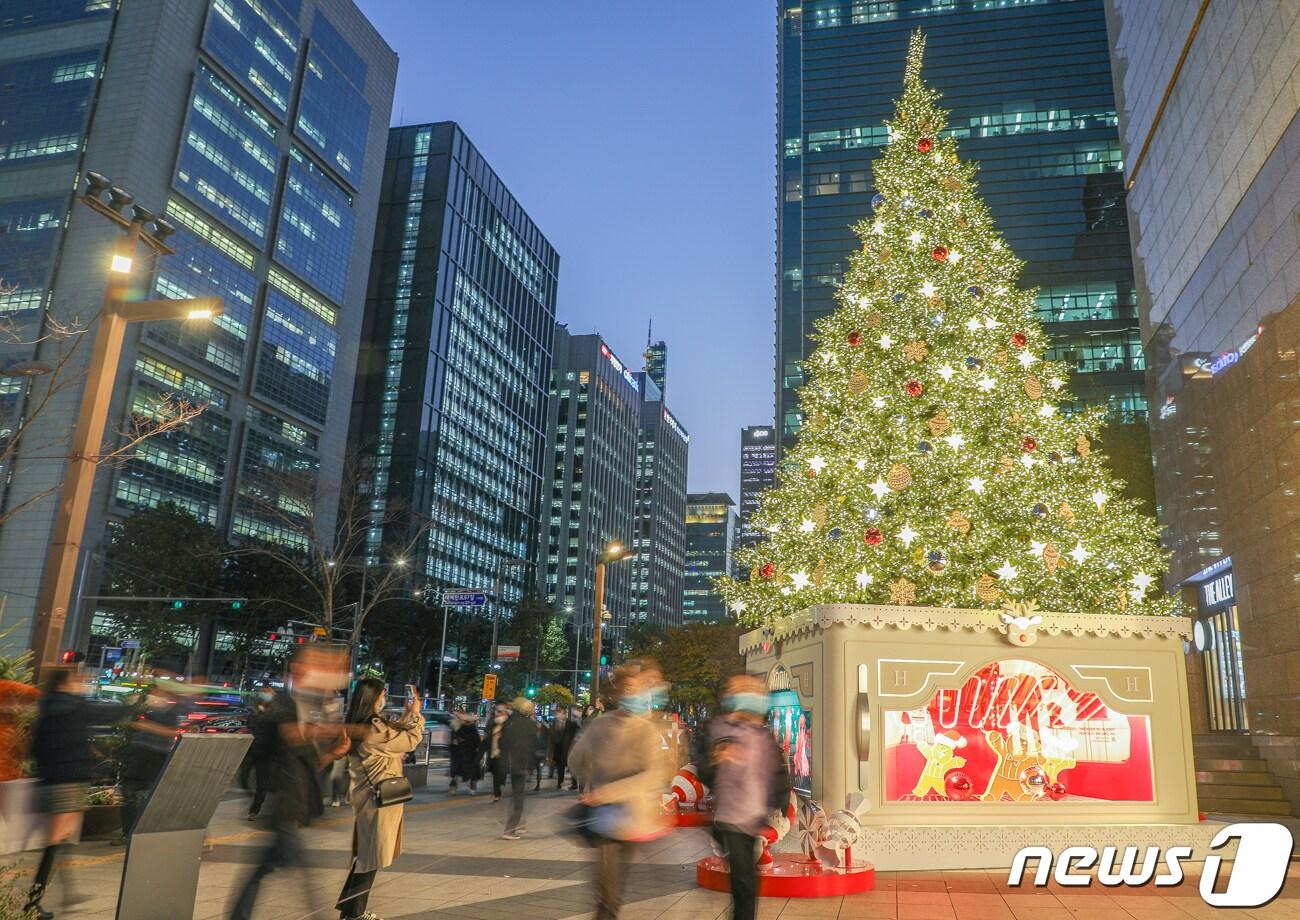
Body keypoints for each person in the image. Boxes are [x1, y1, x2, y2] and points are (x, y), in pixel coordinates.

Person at [229, 645, 350, 920]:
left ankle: (237, 916)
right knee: (301, 870)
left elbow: (308, 760)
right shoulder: (284, 701)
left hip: (292, 799)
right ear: (300, 669)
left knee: (268, 867)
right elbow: (291, 735)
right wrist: (345, 728)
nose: (328, 673)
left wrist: (332, 753)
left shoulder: (307, 705)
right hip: (281, 798)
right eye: (320, 665)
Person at [568, 661, 673, 919]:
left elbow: (653, 775)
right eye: (628, 688)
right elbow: (576, 758)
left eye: (638, 688)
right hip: (617, 817)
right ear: (617, 693)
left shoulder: (621, 725)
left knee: (609, 891)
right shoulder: (615, 725)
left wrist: (601, 788)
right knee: (608, 893)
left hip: (619, 814)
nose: (632, 693)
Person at [696, 676, 791, 920]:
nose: (750, 694)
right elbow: (704, 771)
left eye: (754, 690)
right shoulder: (717, 729)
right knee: (744, 882)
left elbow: (777, 770)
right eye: (742, 689)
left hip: (754, 815)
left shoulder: (763, 735)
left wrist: (780, 802)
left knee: (748, 880)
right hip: (730, 816)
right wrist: (718, 759)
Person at [24, 667, 112, 918]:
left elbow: (34, 746)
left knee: (61, 838)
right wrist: (136, 705)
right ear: (65, 683)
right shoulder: (75, 705)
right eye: (76, 679)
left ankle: (68, 892)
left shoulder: (45, 707)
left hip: (50, 779)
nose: (80, 683)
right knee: (55, 841)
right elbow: (108, 713)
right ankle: (33, 903)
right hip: (70, 779)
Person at [335, 678, 424, 920]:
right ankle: (354, 914)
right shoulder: (373, 727)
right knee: (370, 857)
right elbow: (409, 740)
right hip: (379, 798)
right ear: (373, 697)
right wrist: (415, 715)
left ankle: (350, 910)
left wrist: (408, 716)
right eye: (382, 692)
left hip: (372, 796)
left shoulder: (364, 723)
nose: (385, 695)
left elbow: (394, 736)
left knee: (367, 855)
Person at [118, 680, 184, 838]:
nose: (157, 693)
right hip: (137, 755)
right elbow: (130, 722)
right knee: (129, 794)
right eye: (155, 690)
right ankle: (128, 832)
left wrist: (146, 725)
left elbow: (173, 731)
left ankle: (144, 831)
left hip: (157, 757)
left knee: (149, 795)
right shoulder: (141, 706)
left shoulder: (171, 711)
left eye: (160, 691)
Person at [498, 697, 538, 840]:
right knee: (518, 798)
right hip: (522, 763)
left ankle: (520, 824)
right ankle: (510, 829)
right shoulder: (530, 725)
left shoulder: (510, 722)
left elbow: (503, 742)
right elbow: (534, 746)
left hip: (511, 763)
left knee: (517, 796)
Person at [242, 687, 278, 820]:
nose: (267, 695)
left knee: (262, 784)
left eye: (269, 693)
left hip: (266, 752)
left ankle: (254, 810)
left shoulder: (274, 712)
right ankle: (249, 796)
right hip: (252, 749)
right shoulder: (254, 710)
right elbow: (250, 725)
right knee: (243, 775)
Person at [447, 711, 482, 796]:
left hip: (467, 753)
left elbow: (476, 742)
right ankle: (468, 788)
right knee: (458, 772)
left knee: (462, 772)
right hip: (460, 753)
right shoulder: (457, 727)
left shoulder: (463, 727)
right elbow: (477, 742)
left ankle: (468, 788)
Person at [549, 707, 579, 790]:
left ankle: (574, 783)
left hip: (568, 748)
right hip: (558, 749)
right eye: (558, 713)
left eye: (561, 713)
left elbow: (576, 734)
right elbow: (552, 736)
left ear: (564, 714)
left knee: (572, 767)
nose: (559, 715)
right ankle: (560, 782)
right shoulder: (554, 723)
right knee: (560, 767)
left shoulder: (571, 724)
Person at [486, 702, 509, 801]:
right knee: (496, 774)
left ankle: (500, 786)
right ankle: (497, 793)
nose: (498, 714)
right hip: (493, 753)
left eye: (501, 712)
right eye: (497, 712)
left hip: (503, 754)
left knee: (501, 773)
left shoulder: (508, 725)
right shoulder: (493, 724)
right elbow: (488, 736)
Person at [532, 714, 549, 791]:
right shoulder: (533, 730)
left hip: (541, 753)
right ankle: (537, 783)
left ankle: (538, 784)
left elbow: (548, 742)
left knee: (539, 769)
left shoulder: (545, 731)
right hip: (535, 753)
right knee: (536, 768)